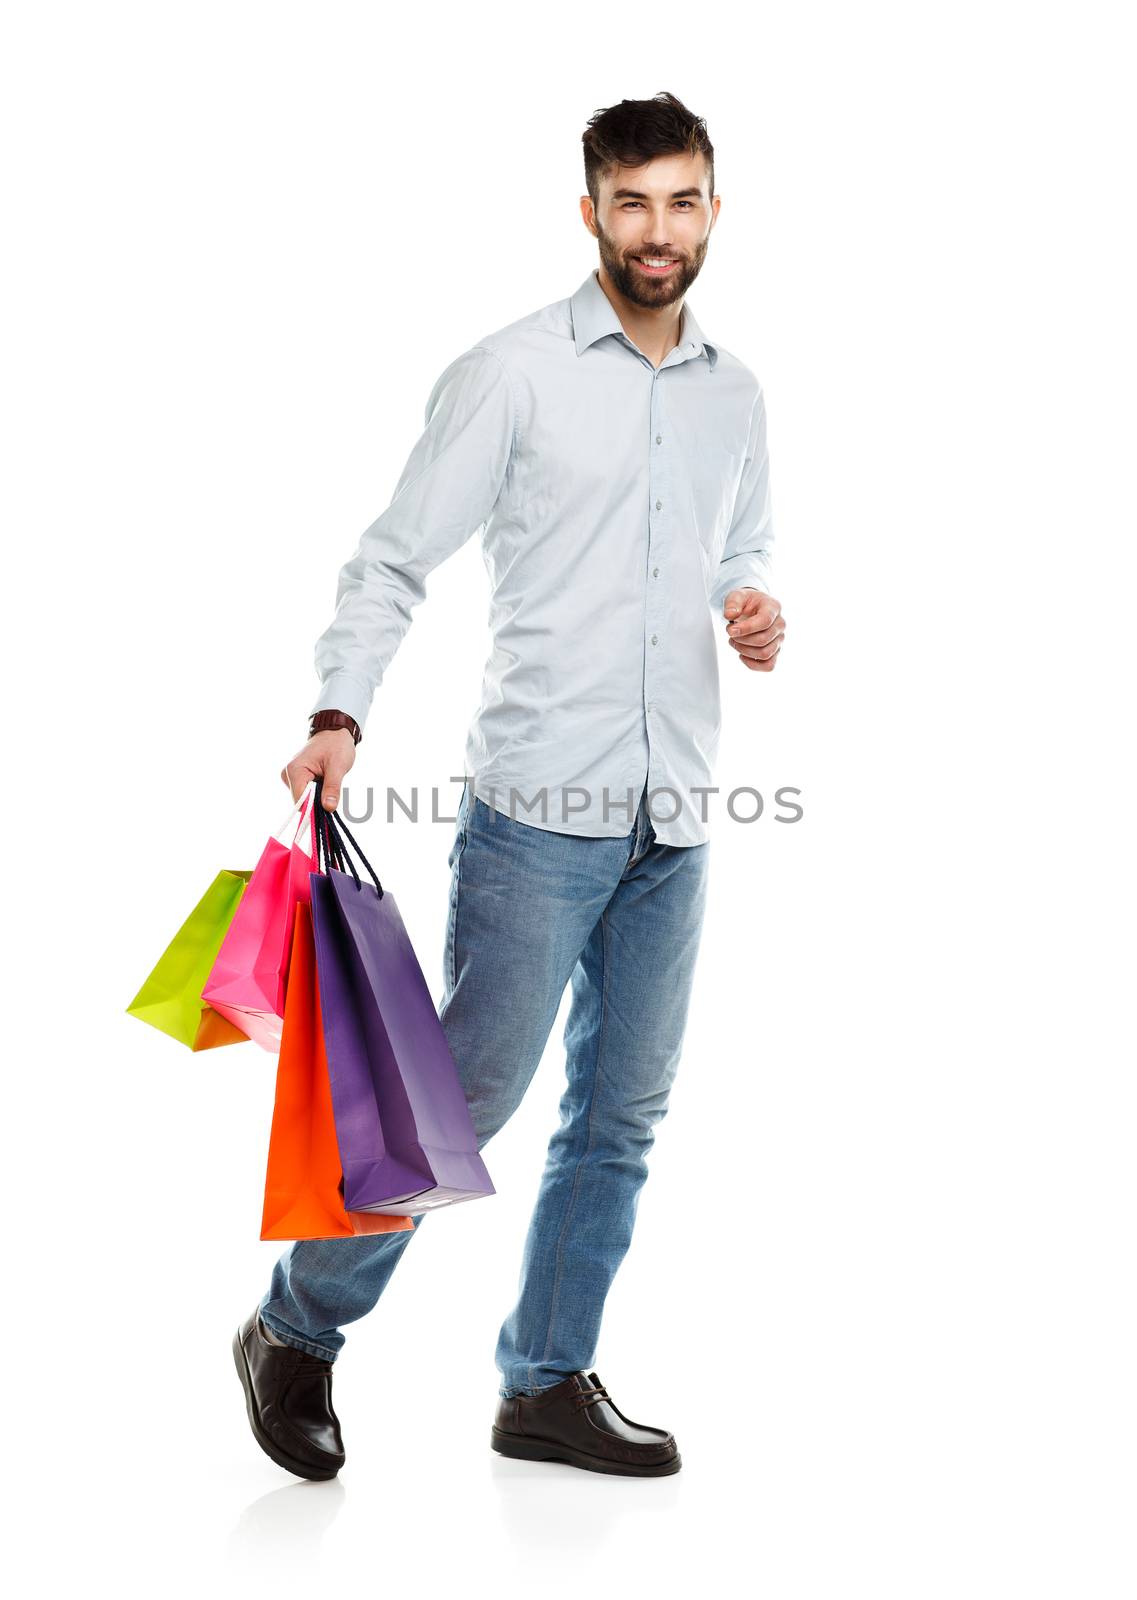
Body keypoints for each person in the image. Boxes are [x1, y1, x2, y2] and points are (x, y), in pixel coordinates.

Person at [233, 89, 785, 1481]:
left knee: (619, 1121)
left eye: (680, 201)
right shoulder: (512, 373)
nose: (656, 231)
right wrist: (339, 707)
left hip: (675, 818)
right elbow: (393, 558)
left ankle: (544, 1383)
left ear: (713, 210)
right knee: (452, 1118)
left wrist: (750, 600)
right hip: (536, 818)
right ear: (588, 211)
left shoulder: (734, 390)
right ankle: (295, 1331)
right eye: (630, 202)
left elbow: (740, 539)